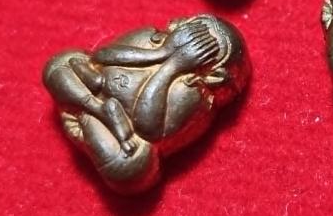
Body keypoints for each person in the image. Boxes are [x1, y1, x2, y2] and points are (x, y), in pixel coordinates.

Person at [43, 16, 248, 190]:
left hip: (112, 135)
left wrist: (172, 67)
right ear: (180, 25)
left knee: (133, 168)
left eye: (203, 49)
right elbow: (100, 57)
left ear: (215, 76)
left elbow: (147, 130)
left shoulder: (195, 97)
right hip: (94, 92)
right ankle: (94, 109)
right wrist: (161, 53)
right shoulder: (149, 36)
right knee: (60, 63)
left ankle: (86, 114)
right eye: (193, 34)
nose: (188, 44)